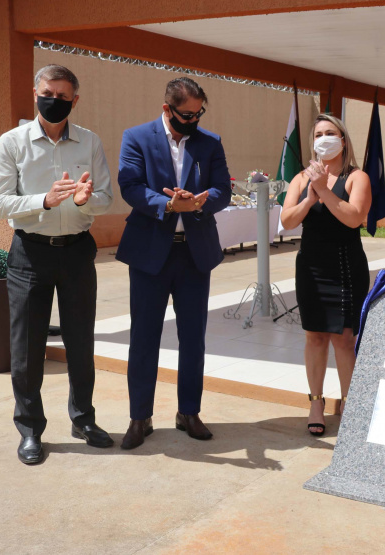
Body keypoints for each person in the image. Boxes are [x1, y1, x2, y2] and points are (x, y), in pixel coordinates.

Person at [0, 64, 114, 464]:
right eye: (48, 93)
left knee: (81, 342)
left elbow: (106, 198)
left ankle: (84, 419)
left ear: (74, 100)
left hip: (77, 250)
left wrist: (83, 201)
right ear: (35, 92)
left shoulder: (90, 142)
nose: (54, 100)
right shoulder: (12, 142)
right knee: (26, 348)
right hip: (30, 252)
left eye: (63, 96)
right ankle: (30, 430)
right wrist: (43, 200)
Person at [116, 77, 231, 449]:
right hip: (150, 253)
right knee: (144, 338)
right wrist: (167, 204)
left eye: (199, 113)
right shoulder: (136, 137)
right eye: (186, 114)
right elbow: (130, 186)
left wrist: (198, 200)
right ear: (167, 109)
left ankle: (189, 412)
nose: (193, 120)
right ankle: (139, 417)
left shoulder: (210, 142)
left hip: (194, 253)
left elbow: (222, 190)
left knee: (193, 337)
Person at [280, 113, 371, 436]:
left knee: (344, 339)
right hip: (311, 269)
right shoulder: (301, 179)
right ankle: (316, 402)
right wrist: (310, 197)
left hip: (345, 268)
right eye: (318, 134)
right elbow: (288, 221)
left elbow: (354, 217)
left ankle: (350, 403)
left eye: (330, 132)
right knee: (314, 336)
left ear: (343, 140)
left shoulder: (356, 177)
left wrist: (325, 190)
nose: (323, 138)